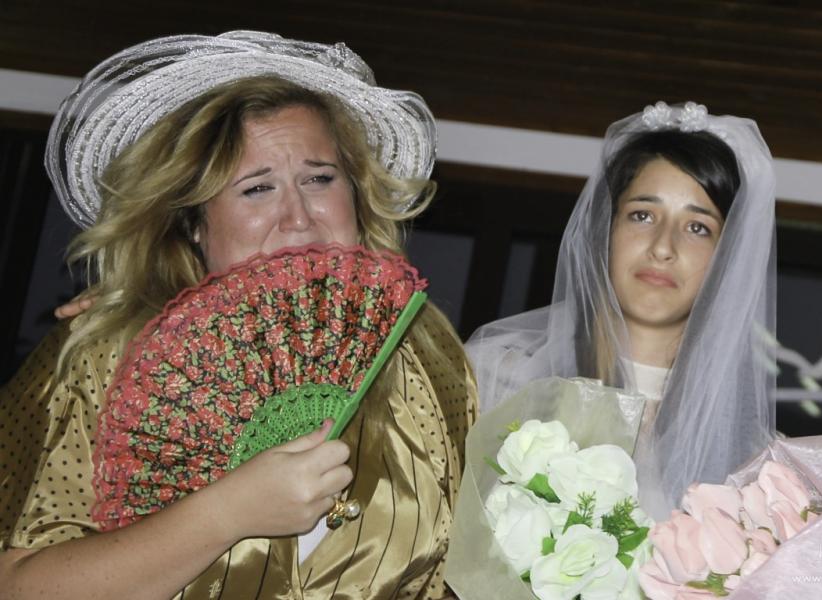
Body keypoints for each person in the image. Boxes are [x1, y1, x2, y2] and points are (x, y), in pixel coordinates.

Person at [0, 31, 477, 599]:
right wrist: (227, 512)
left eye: (319, 178)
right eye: (257, 189)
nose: (298, 216)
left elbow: (455, 576)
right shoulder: (103, 354)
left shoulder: (424, 357)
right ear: (192, 222)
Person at [466, 101, 776, 517]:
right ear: (604, 230)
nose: (663, 247)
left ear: (728, 258)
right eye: (642, 215)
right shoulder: (493, 383)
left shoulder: (754, 469)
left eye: (697, 227)